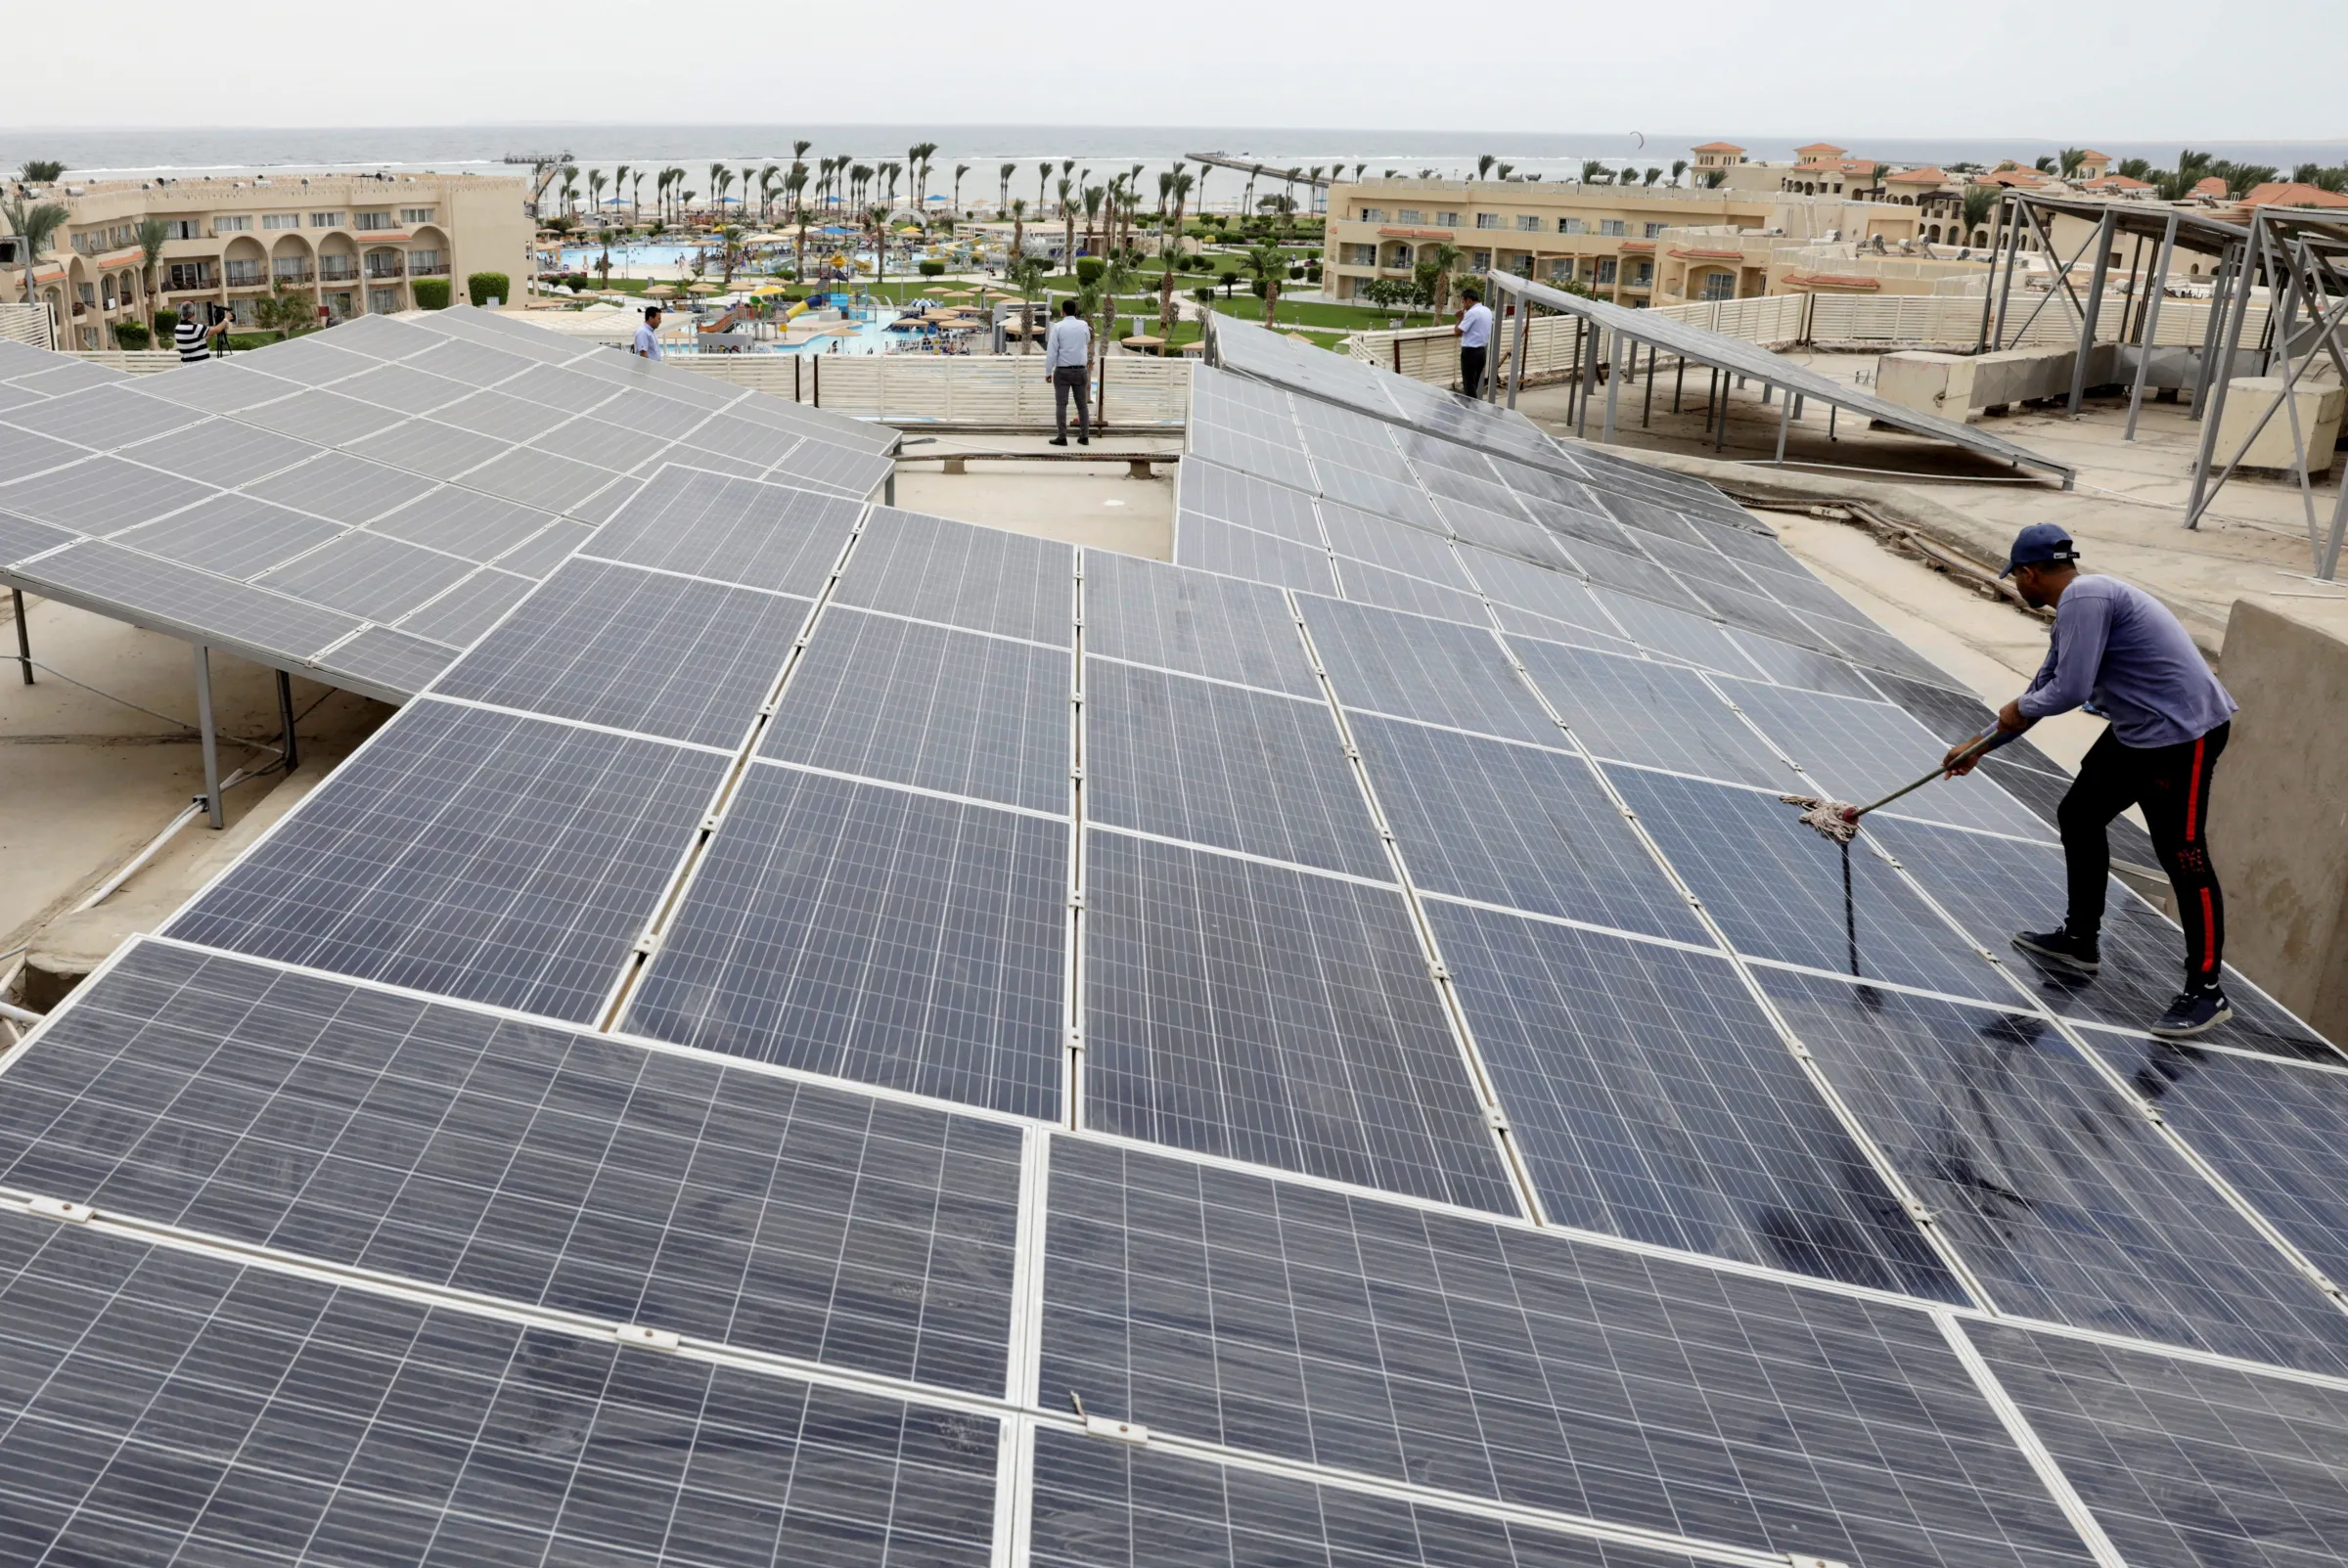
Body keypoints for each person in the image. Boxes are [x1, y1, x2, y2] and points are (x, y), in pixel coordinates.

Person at [1945, 523, 2239, 1037]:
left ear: (2029, 573)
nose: (2017, 586)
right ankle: (2081, 941)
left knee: (2183, 855)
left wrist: (2016, 709)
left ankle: (2207, 991)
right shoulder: (2079, 606)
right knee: (2079, 814)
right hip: (2138, 731)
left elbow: (2068, 690)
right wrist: (1979, 747)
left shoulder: (2086, 597)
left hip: (2182, 735)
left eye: (2016, 578)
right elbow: (2046, 687)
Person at [1044, 297, 1091, 446]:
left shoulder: (1058, 327)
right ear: (1075, 311)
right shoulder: (1084, 325)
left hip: (1063, 371)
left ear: (1062, 311)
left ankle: (1062, 436)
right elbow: (1087, 341)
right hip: (1081, 370)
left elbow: (1052, 352)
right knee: (1082, 405)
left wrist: (1048, 371)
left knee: (1061, 404)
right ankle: (1084, 436)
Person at [1453, 285, 1493, 397]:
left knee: (1469, 385)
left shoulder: (1472, 313)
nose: (1463, 306)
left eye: (1463, 302)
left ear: (1469, 300)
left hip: (1470, 352)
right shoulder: (1487, 311)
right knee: (1473, 383)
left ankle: (1472, 411)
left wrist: (1459, 318)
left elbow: (1457, 332)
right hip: (1481, 352)